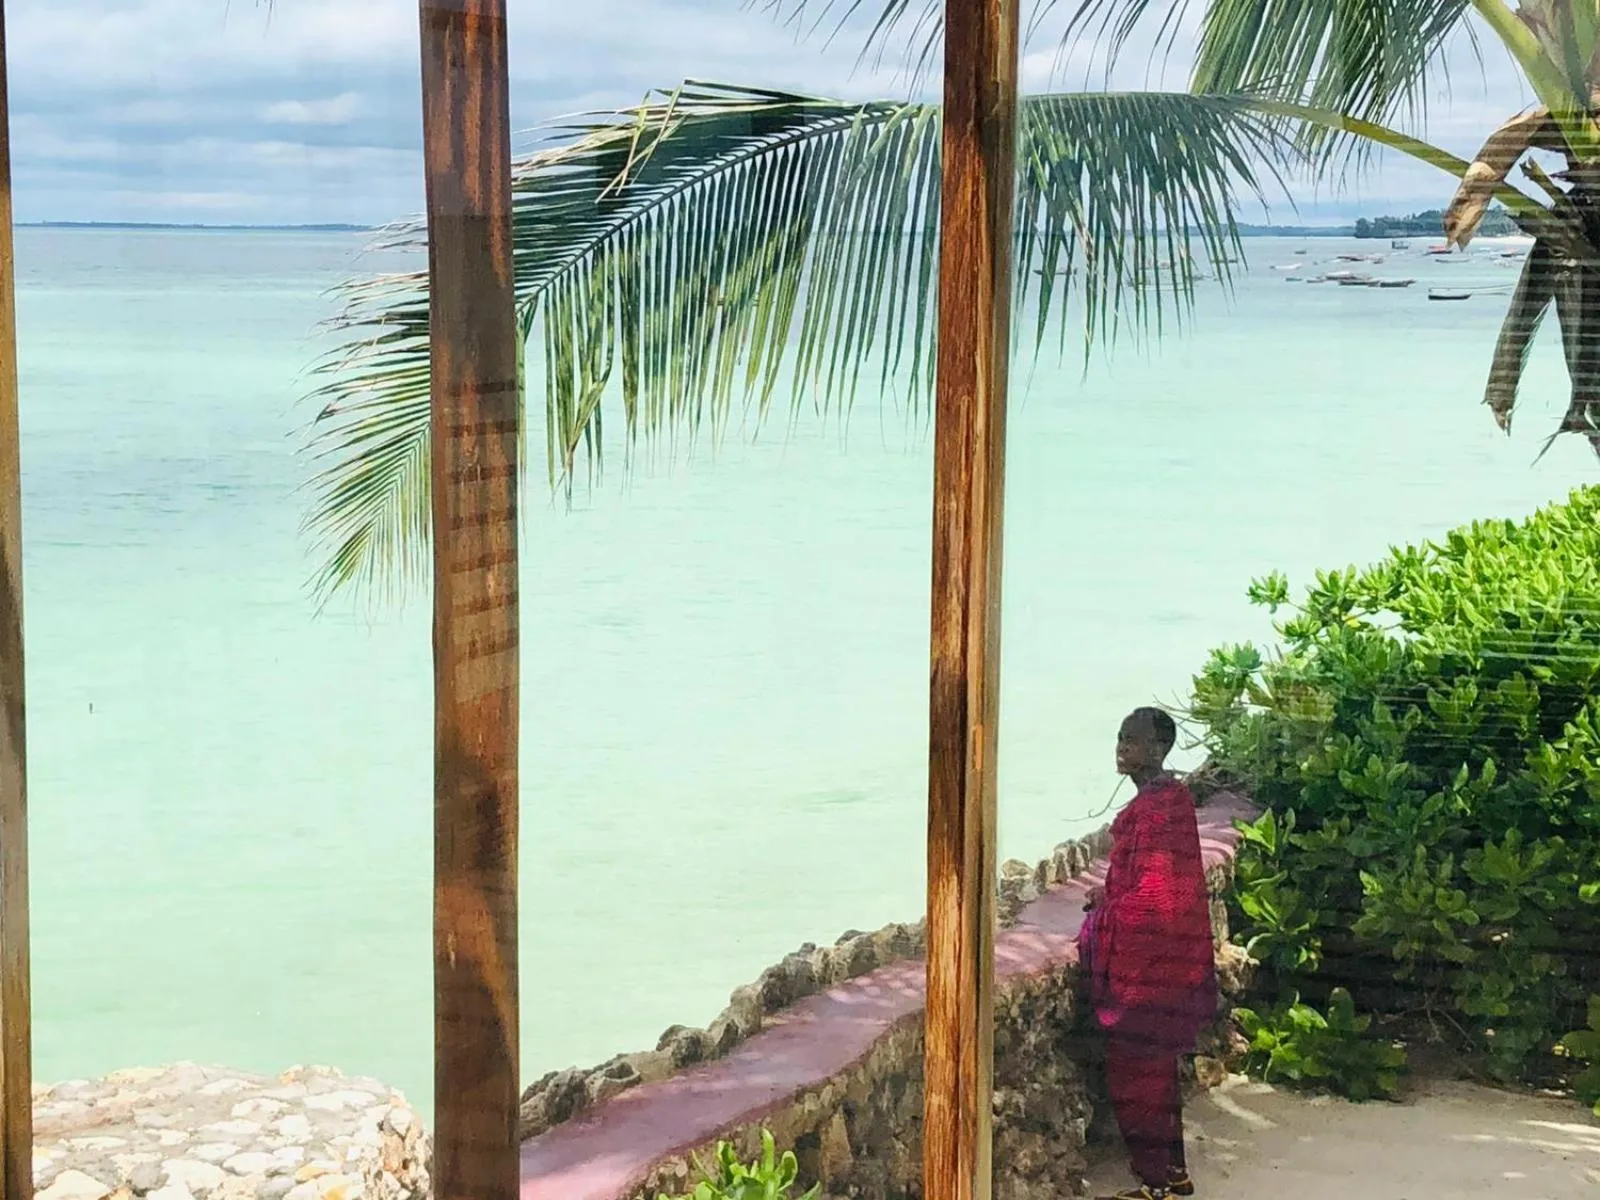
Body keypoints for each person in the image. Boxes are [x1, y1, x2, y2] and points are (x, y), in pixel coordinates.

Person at [1078, 707, 1218, 1200]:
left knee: (1139, 1078)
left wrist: (1105, 919)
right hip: (1167, 969)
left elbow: (1156, 900)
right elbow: (1151, 885)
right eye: (1120, 738)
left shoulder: (1160, 810)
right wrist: (1107, 897)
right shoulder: (1168, 801)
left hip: (1148, 973)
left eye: (1133, 740)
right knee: (1158, 1076)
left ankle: (1154, 1184)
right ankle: (1173, 1175)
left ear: (1159, 749)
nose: (1123, 747)